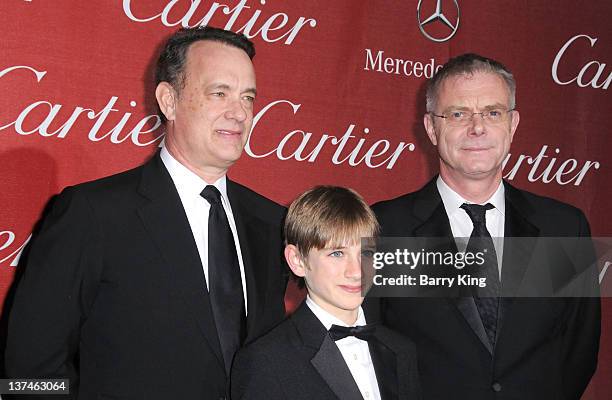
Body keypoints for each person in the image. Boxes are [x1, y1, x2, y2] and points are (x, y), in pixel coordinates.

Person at [5, 27, 286, 400]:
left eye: (248, 98)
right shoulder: (94, 214)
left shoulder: (271, 222)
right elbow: (27, 371)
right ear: (168, 101)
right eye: (219, 93)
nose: (239, 113)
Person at [371, 53, 600, 400]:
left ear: (513, 124)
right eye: (459, 114)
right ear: (432, 128)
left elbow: (578, 352)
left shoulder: (565, 228)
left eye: (492, 113)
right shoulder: (384, 228)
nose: (477, 128)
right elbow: (369, 349)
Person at [231, 186, 421, 400]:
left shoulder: (401, 350)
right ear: (297, 260)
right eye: (337, 253)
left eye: (366, 252)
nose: (356, 271)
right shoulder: (265, 362)